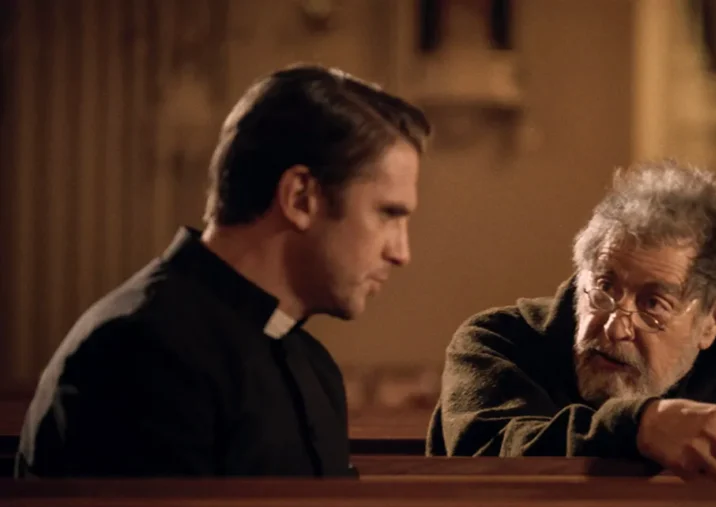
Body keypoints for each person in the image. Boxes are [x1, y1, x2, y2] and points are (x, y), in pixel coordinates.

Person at [16, 64, 431, 477]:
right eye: (388, 214)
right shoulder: (139, 353)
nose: (401, 253)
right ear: (300, 198)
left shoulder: (312, 365)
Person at [427, 160, 716, 483]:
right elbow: (483, 458)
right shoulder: (496, 345)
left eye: (654, 304)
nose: (615, 327)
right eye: (604, 287)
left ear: (712, 322)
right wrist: (642, 425)